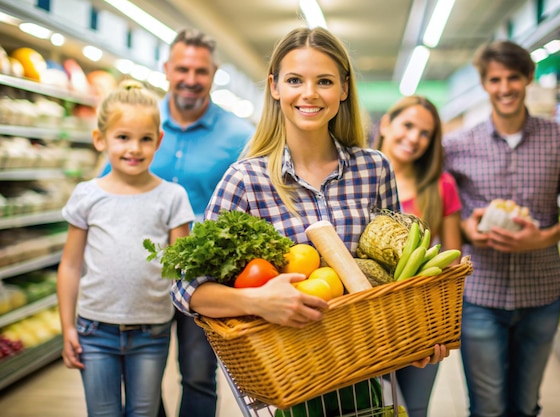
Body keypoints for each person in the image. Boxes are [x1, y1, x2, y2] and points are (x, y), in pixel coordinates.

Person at [171, 25, 449, 365]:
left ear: (344, 89)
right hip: (291, 371)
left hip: (369, 362)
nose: (310, 93)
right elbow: (187, 289)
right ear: (274, 86)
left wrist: (413, 338)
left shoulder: (374, 169)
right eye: (294, 80)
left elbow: (396, 273)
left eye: (325, 81)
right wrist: (258, 301)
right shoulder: (245, 179)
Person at [102, 28, 255, 417]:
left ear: (213, 73)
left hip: (205, 279)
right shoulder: (140, 121)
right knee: (142, 376)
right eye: (182, 68)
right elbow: (108, 185)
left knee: (200, 374)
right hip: (142, 275)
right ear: (167, 69)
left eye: (200, 71)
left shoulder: (239, 136)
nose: (190, 79)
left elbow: (253, 205)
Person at [443, 40, 560, 417]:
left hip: (540, 294)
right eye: (495, 79)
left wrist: (544, 236)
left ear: (529, 77)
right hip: (480, 294)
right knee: (487, 407)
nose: (505, 87)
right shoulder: (458, 145)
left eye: (513, 77)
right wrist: (466, 230)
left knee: (526, 406)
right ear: (484, 84)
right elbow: (444, 211)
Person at [57, 80, 195, 417]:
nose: (134, 148)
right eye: (123, 137)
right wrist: (68, 328)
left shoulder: (172, 198)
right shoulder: (87, 195)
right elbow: (70, 265)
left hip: (152, 331)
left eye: (145, 138)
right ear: (100, 139)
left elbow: (182, 269)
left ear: (158, 141)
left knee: (144, 413)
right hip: (94, 330)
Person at [376, 95, 462, 417]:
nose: (414, 138)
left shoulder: (440, 186)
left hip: (419, 321)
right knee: (365, 407)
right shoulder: (356, 179)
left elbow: (454, 262)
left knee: (413, 409)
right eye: (407, 125)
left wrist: (441, 325)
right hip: (362, 318)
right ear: (386, 123)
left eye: (425, 133)